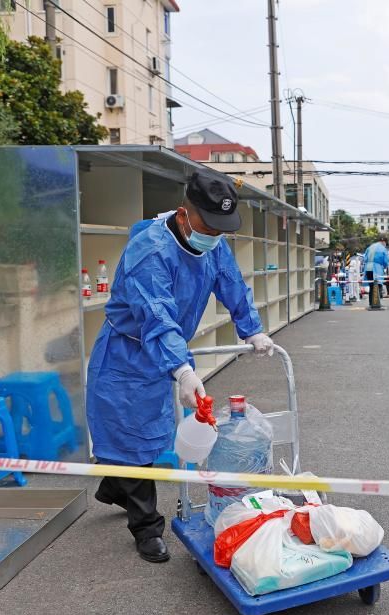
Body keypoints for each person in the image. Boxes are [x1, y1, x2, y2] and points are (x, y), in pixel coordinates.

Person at [86, 170, 274, 563]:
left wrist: (252, 329)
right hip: (128, 352)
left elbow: (231, 282)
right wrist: (183, 369)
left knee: (151, 438)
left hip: (166, 348)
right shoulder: (150, 251)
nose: (215, 236)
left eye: (222, 229)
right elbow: (157, 317)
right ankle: (146, 528)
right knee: (131, 437)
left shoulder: (211, 244)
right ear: (185, 215)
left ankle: (116, 487)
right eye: (209, 226)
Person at [363, 236, 388, 304]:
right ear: (384, 242)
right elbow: (385, 261)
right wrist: (385, 267)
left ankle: (371, 303)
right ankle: (376, 303)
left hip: (368, 268)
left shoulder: (370, 247)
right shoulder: (383, 248)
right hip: (377, 268)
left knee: (371, 286)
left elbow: (364, 259)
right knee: (378, 285)